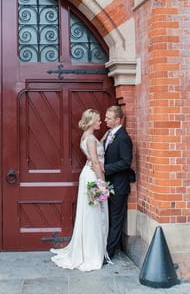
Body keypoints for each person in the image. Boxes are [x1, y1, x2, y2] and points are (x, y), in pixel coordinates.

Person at [50, 109, 109, 271]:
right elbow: (96, 162)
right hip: (93, 175)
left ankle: (90, 249)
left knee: (91, 213)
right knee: (94, 214)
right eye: (98, 120)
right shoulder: (90, 139)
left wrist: (103, 139)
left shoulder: (87, 137)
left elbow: (94, 152)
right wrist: (102, 183)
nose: (100, 122)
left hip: (87, 173)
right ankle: (91, 253)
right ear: (91, 122)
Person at [102, 105, 134, 260]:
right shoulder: (109, 134)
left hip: (119, 185)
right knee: (107, 216)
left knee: (115, 219)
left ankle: (109, 253)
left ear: (118, 120)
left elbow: (125, 162)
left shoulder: (123, 137)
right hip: (108, 184)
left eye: (108, 118)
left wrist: (104, 168)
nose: (105, 120)